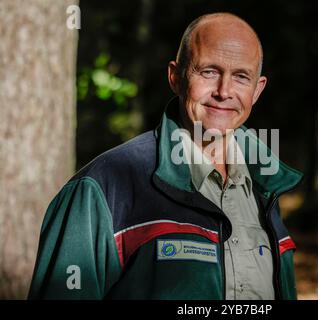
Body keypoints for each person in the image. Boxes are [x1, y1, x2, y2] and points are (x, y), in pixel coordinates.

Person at [28, 12, 303, 300]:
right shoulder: (101, 188)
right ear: (175, 77)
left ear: (257, 90)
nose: (224, 91)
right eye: (209, 71)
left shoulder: (265, 188)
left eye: (240, 77)